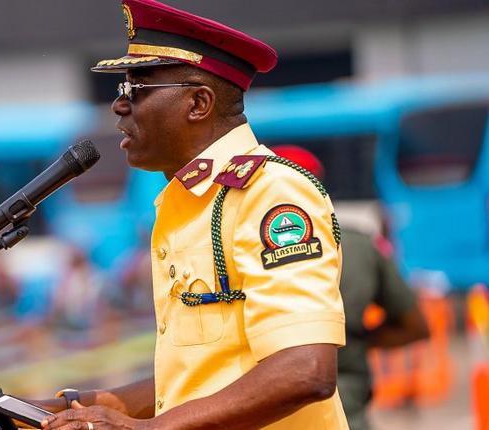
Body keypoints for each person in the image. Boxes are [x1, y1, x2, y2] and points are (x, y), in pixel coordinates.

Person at [34, 1, 348, 429]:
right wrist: (83, 404)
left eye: (135, 91)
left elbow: (304, 370)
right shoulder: (189, 200)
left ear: (198, 103)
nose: (118, 107)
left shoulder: (270, 193)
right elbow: (201, 376)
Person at [272, 145, 429, 430]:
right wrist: (351, 342)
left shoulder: (238, 249)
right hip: (347, 409)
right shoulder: (360, 246)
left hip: (269, 411)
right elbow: (415, 326)